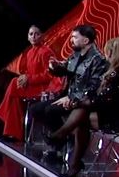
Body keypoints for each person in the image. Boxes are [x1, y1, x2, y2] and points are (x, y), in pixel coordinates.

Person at [45, 37, 119, 177]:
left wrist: (77, 103)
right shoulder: (116, 72)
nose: (105, 55)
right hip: (113, 113)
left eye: (107, 52)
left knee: (82, 115)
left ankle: (63, 141)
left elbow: (104, 101)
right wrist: (78, 101)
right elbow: (98, 97)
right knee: (82, 115)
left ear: (114, 54)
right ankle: (71, 157)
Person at [29, 25, 107, 160]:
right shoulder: (75, 55)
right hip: (67, 95)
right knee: (35, 109)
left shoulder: (98, 60)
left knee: (50, 110)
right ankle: (64, 140)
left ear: (85, 40)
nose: (71, 40)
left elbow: (93, 87)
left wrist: (72, 98)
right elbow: (64, 69)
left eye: (75, 37)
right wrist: (54, 67)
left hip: (82, 100)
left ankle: (60, 142)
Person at [0, 25, 61, 140]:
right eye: (31, 34)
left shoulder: (46, 52)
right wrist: (24, 78)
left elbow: (49, 75)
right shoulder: (29, 53)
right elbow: (29, 72)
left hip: (43, 88)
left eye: (37, 34)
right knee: (15, 96)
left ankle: (2, 112)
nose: (33, 36)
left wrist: (28, 78)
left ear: (42, 36)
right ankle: (14, 133)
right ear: (28, 37)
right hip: (32, 85)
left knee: (14, 82)